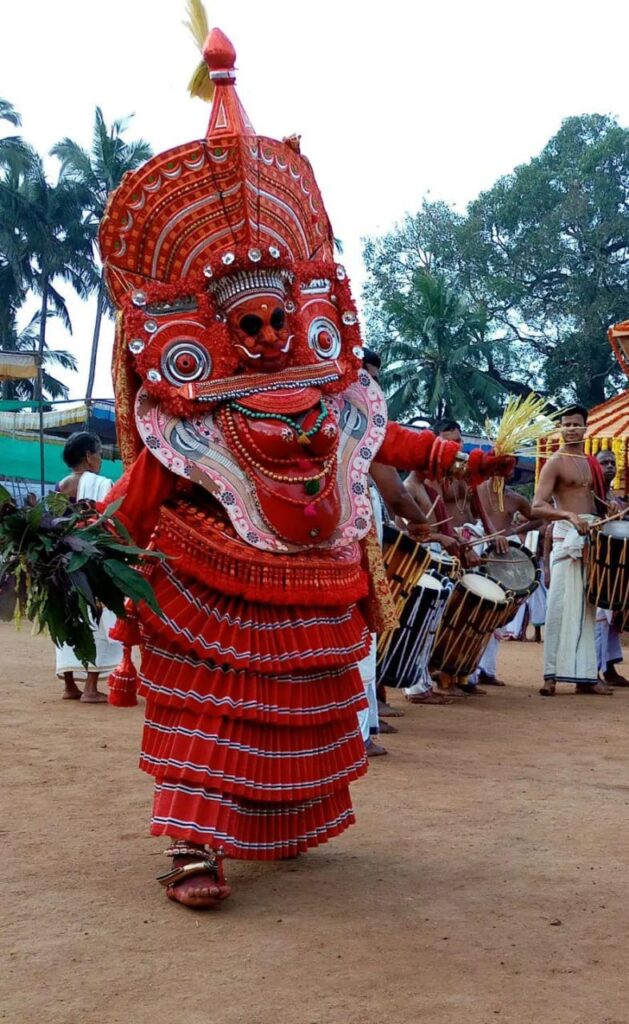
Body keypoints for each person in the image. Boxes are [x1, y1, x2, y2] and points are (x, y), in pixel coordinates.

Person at [97, 28, 467, 910]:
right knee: (209, 714)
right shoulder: (187, 416)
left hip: (306, 576)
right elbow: (139, 492)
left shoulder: (323, 390)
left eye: (277, 321)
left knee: (290, 704)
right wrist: (76, 544)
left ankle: (263, 827)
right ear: (213, 330)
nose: (268, 338)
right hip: (205, 584)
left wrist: (467, 455)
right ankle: (194, 845)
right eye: (250, 325)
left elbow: (380, 436)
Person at [532, 406, 611, 696]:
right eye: (566, 425)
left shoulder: (590, 462)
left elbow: (594, 501)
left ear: (585, 427)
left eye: (576, 424)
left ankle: (586, 677)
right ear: (559, 428)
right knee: (560, 606)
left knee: (587, 608)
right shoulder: (554, 462)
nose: (571, 429)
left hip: (591, 537)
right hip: (568, 538)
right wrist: (568, 517)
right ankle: (550, 675)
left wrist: (608, 508)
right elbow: (537, 506)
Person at [55, 432, 123, 703]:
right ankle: (91, 687)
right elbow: (111, 520)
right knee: (97, 617)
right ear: (88, 456)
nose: (101, 458)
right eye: (99, 453)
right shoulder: (102, 483)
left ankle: (70, 684)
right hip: (92, 560)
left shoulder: (61, 486)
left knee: (68, 615)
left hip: (62, 561)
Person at [594, 449, 628, 686]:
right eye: (604, 462)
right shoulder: (588, 495)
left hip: (615, 568)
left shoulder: (617, 500)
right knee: (599, 618)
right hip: (595, 564)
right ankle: (592, 670)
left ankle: (610, 668)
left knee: (612, 619)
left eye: (612, 462)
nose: (609, 466)